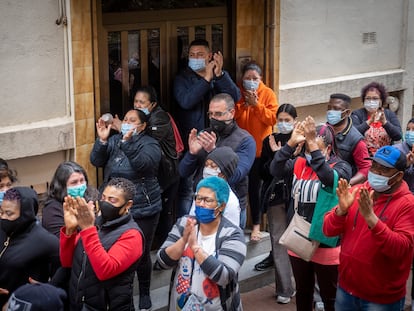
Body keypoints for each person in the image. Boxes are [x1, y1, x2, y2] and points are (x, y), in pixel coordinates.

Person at [270, 117, 352, 311]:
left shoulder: (341, 167)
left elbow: (327, 179)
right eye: (307, 148)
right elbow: (276, 169)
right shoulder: (299, 164)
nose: (310, 152)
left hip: (325, 242)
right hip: (299, 237)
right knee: (303, 292)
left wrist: (314, 146)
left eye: (314, 147)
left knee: (329, 297)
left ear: (328, 149)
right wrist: (290, 144)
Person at [323, 146, 414, 310]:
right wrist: (341, 211)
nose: (375, 172)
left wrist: (371, 218)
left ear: (398, 176)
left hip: (380, 299)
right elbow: (328, 231)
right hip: (346, 289)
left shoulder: (408, 205)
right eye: (374, 167)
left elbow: (401, 249)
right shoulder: (357, 191)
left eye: (383, 170)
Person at [90, 109, 162, 311]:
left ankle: (145, 291)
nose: (127, 123)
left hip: (143, 206)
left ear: (143, 126)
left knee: (141, 252)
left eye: (133, 121)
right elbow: (96, 161)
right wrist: (103, 141)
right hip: (114, 206)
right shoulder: (115, 140)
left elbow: (144, 165)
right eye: (126, 119)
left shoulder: (150, 144)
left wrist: (128, 144)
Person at [155, 176, 246, 311]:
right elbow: (162, 261)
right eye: (198, 198)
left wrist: (195, 248)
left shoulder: (232, 234)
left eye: (207, 200)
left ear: (221, 206)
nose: (201, 204)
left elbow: (224, 276)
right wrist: (183, 240)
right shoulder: (185, 223)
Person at [173, 39, 241, 217]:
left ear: (210, 56)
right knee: (188, 191)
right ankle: (186, 228)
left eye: (200, 55)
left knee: (217, 187)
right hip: (194, 144)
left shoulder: (218, 76)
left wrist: (219, 76)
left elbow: (234, 97)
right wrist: (206, 79)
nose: (195, 58)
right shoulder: (182, 78)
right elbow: (186, 101)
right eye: (192, 55)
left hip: (218, 142)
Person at [60, 177, 144, 311]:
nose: (105, 203)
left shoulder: (132, 235)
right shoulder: (95, 222)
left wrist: (87, 229)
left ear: (128, 205)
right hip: (78, 302)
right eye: (103, 198)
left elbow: (105, 271)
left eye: (112, 200)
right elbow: (67, 262)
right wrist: (70, 231)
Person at [178, 93, 256, 229]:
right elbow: (183, 172)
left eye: (218, 114)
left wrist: (213, 151)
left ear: (231, 113)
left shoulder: (245, 140)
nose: (213, 119)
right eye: (211, 114)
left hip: (229, 207)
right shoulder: (204, 135)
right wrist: (192, 154)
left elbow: (236, 175)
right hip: (202, 204)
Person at [255, 103, 298, 302]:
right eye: (279, 120)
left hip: (297, 196)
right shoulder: (268, 141)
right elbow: (264, 172)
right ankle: (284, 289)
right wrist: (275, 155)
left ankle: (304, 284)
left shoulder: (301, 141)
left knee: (300, 240)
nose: (282, 124)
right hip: (276, 196)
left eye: (287, 120)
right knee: (279, 240)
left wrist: (284, 154)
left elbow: (299, 169)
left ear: (294, 121)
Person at [234, 61, 278, 242]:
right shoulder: (238, 93)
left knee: (256, 189)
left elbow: (273, 119)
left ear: (260, 79)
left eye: (255, 79)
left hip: (261, 151)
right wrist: (245, 104)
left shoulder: (267, 93)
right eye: (247, 78)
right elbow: (233, 115)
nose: (251, 81)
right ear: (242, 79)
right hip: (241, 150)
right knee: (239, 187)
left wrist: (257, 105)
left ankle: (257, 225)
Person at [132, 86, 179, 248]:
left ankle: (165, 250)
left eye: (142, 102)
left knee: (163, 213)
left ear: (152, 105)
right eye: (136, 101)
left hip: (166, 174)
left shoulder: (159, 118)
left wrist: (124, 129)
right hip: (154, 175)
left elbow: (148, 142)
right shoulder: (139, 117)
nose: (138, 105)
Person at [0, 187, 60, 308]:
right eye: (1, 212)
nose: (3, 217)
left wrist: (45, 290)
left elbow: (63, 276)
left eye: (9, 213)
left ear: (25, 214)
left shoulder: (45, 241)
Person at [42, 161, 99, 238]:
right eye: (74, 182)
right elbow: (59, 243)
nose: (79, 185)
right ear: (62, 186)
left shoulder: (90, 196)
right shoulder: (52, 210)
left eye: (82, 180)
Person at [188, 146, 241, 227]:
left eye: (213, 166)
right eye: (206, 165)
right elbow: (192, 218)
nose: (207, 169)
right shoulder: (200, 191)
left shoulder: (230, 201)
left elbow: (232, 232)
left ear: (223, 173)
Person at [326, 93, 371, 185]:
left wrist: (348, 183)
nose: (331, 111)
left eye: (336, 109)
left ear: (347, 113)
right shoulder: (323, 130)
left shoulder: (356, 139)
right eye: (329, 108)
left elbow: (366, 168)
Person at [351, 81, 402, 156]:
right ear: (363, 100)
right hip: (363, 158)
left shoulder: (389, 114)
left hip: (385, 158)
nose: (371, 101)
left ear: (381, 101)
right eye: (368, 98)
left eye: (375, 98)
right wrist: (368, 122)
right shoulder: (357, 114)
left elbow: (398, 136)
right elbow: (352, 135)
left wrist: (385, 123)